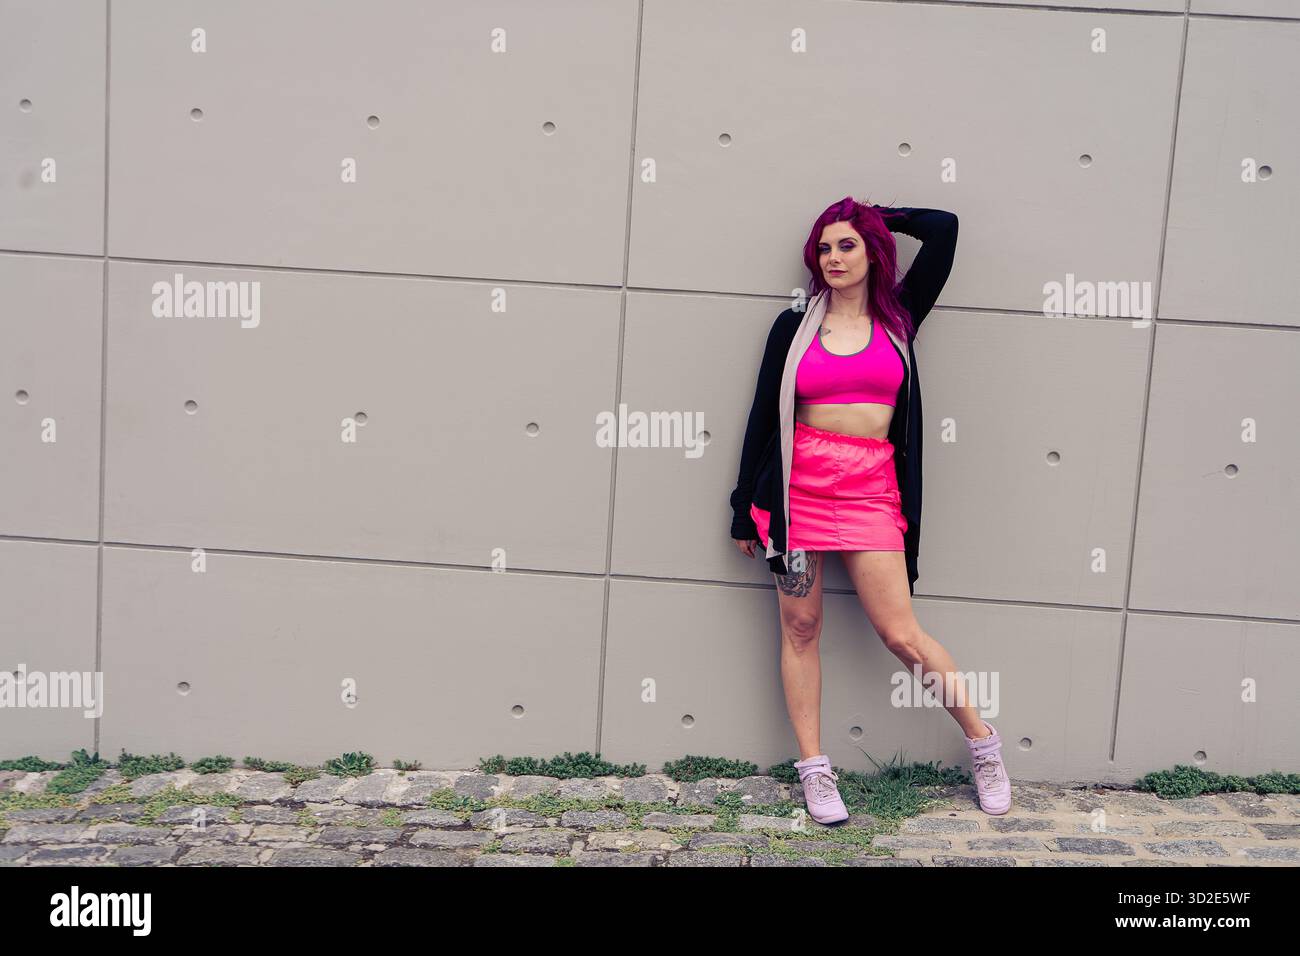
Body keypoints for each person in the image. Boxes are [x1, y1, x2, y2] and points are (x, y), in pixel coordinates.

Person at [728, 197, 1011, 823]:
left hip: (870, 491)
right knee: (800, 629)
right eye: (824, 248)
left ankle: (983, 744)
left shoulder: (901, 316)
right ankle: (815, 771)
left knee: (900, 633)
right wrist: (743, 506)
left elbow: (943, 230)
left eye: (846, 245)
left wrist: (870, 212)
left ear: (873, 252)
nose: (833, 257)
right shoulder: (793, 327)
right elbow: (760, 417)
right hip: (795, 493)